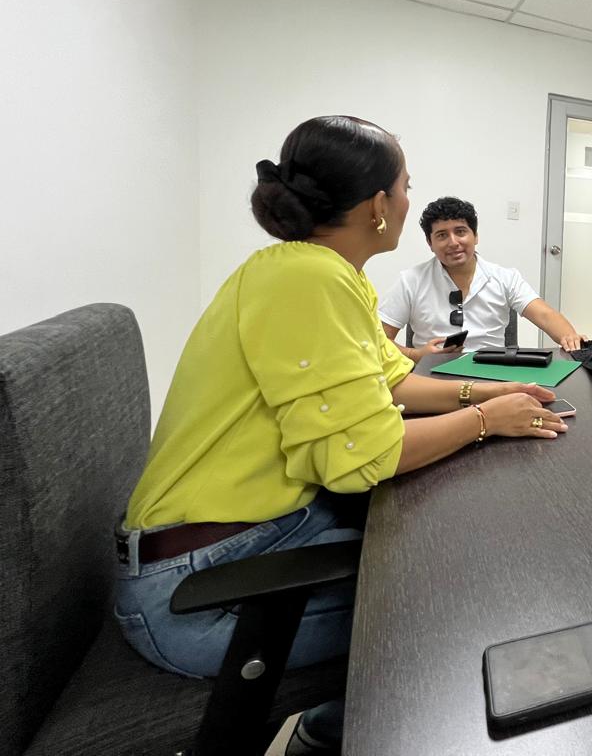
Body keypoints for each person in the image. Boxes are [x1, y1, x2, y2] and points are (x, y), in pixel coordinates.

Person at [115, 116, 567, 755]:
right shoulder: (309, 278)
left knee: (437, 548)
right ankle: (339, 736)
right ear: (380, 205)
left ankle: (332, 725)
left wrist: (487, 392)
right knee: (456, 605)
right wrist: (488, 422)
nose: (409, 202)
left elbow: (396, 380)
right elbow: (364, 458)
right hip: (199, 586)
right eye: (406, 187)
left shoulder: (322, 272)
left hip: (254, 535)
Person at [379, 195, 584, 357]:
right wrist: (416, 355)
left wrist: (569, 337)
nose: (453, 242)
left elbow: (545, 315)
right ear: (430, 243)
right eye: (442, 235)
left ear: (475, 236)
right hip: (432, 376)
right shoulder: (410, 281)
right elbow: (378, 340)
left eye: (461, 232)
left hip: (491, 375)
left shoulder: (505, 278)